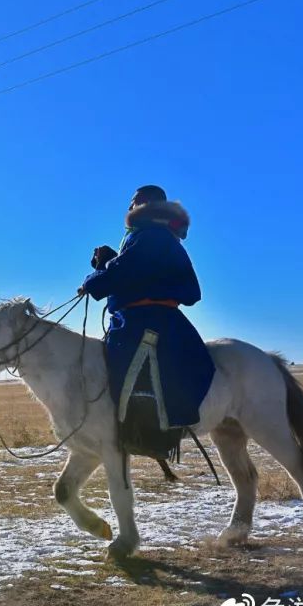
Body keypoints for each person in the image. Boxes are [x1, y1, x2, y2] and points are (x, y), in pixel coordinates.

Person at [80, 185, 215, 459]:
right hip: (152, 317)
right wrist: (110, 262)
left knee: (120, 361)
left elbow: (126, 271)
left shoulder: (151, 235)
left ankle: (147, 434)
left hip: (146, 319)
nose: (129, 207)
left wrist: (92, 282)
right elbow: (136, 271)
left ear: (147, 205)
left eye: (134, 202)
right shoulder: (152, 236)